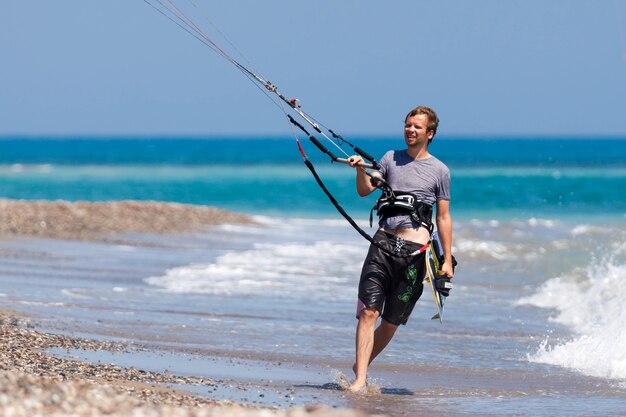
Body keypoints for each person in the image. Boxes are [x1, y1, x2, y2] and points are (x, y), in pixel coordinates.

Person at [346, 105, 454, 393]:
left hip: (414, 254)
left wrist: (447, 261)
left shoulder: (440, 171)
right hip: (382, 245)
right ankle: (360, 380)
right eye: (408, 125)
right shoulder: (390, 159)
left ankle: (361, 365)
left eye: (417, 127)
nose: (410, 130)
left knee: (391, 322)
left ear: (429, 133)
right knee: (368, 312)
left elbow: (443, 217)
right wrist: (360, 169)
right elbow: (365, 189)